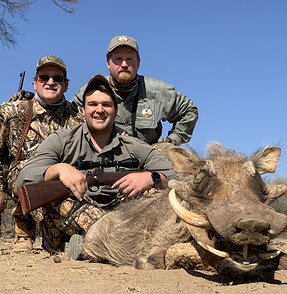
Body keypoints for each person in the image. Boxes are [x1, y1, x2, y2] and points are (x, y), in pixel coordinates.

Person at [16, 74, 175, 255]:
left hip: (122, 215)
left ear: (116, 110)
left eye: (106, 105)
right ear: (82, 111)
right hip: (83, 223)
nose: (99, 110)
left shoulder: (134, 145)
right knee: (59, 201)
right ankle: (109, 245)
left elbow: (177, 174)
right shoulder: (61, 140)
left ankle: (89, 247)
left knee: (157, 194)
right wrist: (59, 169)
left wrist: (152, 177)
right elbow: (23, 179)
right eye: (92, 104)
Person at [0, 55, 84, 251]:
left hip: (64, 181)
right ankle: (24, 232)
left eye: (58, 78)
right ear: (35, 82)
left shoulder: (79, 117)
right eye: (44, 77)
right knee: (28, 174)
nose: (51, 82)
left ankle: (62, 236)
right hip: (24, 178)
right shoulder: (12, 111)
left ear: (66, 84)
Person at [72, 34, 198, 146]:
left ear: (138, 62)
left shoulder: (157, 90)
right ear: (108, 63)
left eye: (130, 59)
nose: (124, 64)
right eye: (118, 59)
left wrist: (172, 141)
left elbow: (189, 111)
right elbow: (71, 115)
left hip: (148, 161)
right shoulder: (92, 89)